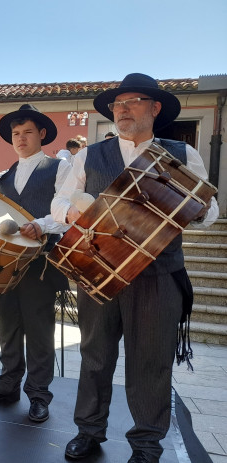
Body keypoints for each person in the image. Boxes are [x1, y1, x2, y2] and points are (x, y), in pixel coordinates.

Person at [52, 73, 219, 463]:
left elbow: (209, 213)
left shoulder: (182, 153)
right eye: (117, 104)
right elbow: (57, 208)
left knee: (151, 362)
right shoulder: (88, 156)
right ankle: (88, 432)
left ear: (155, 108)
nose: (122, 109)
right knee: (95, 356)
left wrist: (195, 207)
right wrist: (78, 208)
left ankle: (146, 445)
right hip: (99, 273)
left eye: (132, 102)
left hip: (158, 278)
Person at [0, 104, 71, 423]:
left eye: (28, 132)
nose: (21, 138)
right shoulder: (2, 178)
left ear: (42, 134)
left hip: (41, 263)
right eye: (16, 134)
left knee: (39, 329)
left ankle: (39, 393)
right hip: (5, 264)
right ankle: (8, 384)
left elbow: (70, 215)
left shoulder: (60, 170)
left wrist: (41, 225)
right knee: (8, 325)